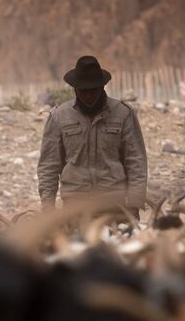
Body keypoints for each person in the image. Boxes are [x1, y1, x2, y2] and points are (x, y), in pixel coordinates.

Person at [37, 56, 147, 217]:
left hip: (114, 203)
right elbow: (49, 165)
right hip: (75, 204)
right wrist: (48, 208)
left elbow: (136, 160)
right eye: (84, 91)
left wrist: (135, 204)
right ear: (74, 89)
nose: (89, 95)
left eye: (93, 90)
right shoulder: (59, 116)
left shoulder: (123, 114)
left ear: (102, 87)